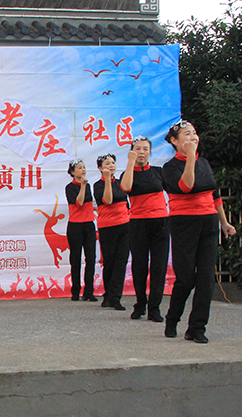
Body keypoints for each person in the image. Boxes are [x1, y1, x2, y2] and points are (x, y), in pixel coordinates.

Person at [162, 121, 235, 343]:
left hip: (208, 222)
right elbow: (187, 186)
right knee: (186, 279)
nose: (193, 137)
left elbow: (214, 194)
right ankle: (172, 318)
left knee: (206, 279)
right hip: (184, 223)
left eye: (194, 133)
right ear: (175, 141)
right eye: (187, 134)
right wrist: (191, 157)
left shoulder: (203, 162)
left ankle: (196, 327)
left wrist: (224, 222)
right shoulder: (170, 167)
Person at [119, 137, 169, 322]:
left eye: (145, 149)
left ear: (150, 152)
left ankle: (154, 308)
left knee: (159, 266)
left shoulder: (158, 172)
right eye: (137, 149)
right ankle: (140, 303)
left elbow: (174, 190)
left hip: (160, 223)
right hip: (138, 223)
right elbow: (125, 188)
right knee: (139, 266)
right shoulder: (128, 173)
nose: (141, 152)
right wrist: (130, 162)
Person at [93, 154, 130, 310]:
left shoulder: (121, 183)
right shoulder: (98, 185)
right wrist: (107, 179)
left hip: (124, 226)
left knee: (121, 261)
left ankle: (115, 297)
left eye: (113, 163)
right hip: (107, 227)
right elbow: (107, 200)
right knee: (109, 261)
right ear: (100, 168)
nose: (111, 166)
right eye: (107, 164)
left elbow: (127, 203)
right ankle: (108, 294)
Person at [65, 160, 97, 301]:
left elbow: (88, 203)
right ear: (72, 172)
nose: (83, 170)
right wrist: (82, 186)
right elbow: (79, 202)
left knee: (91, 258)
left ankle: (89, 291)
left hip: (88, 224)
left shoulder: (88, 185)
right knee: (75, 258)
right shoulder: (70, 187)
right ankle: (75, 291)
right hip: (75, 225)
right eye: (79, 168)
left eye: (84, 167)